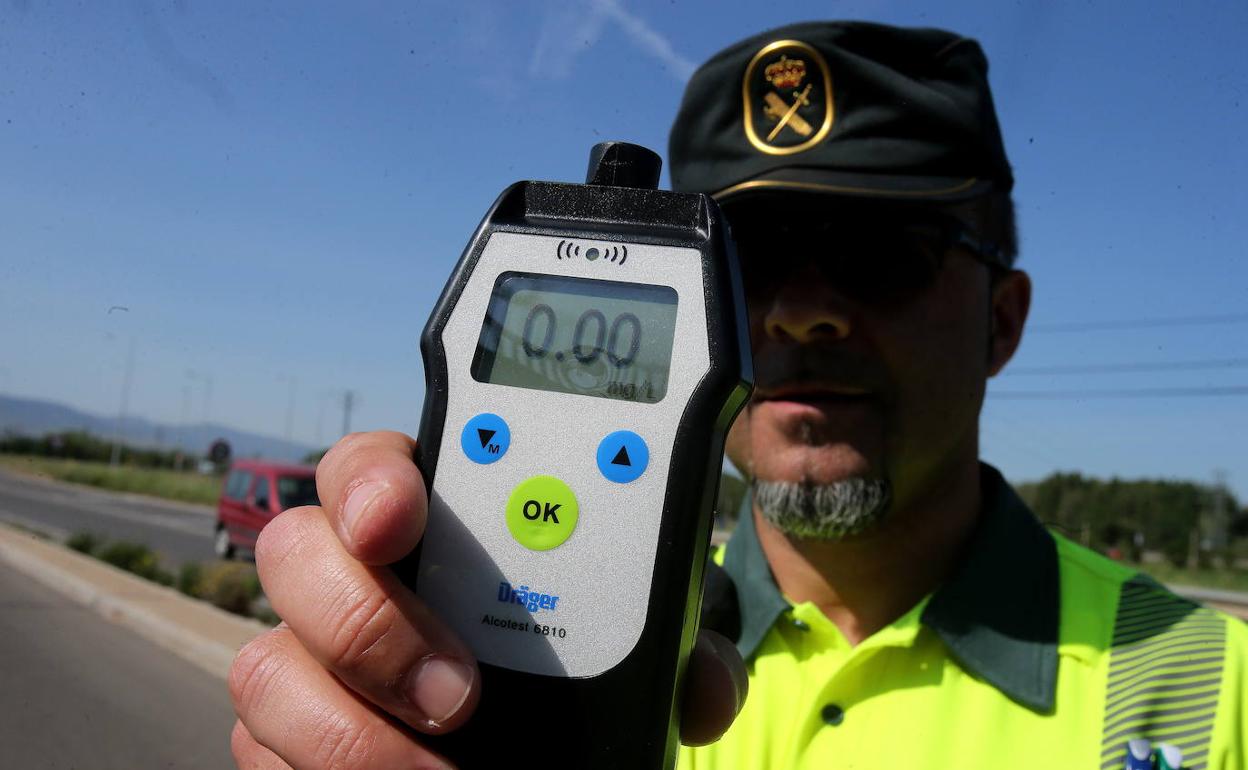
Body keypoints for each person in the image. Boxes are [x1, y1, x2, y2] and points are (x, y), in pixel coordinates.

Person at [228, 21, 1247, 770]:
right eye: (744, 260)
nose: (800, 311)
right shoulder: (514, 634)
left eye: (881, 253)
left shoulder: (1211, 692)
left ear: (1002, 321)